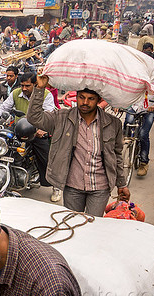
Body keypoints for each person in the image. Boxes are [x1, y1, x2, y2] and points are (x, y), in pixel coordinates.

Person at [27, 74, 131, 216]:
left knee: (93, 226)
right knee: (72, 225)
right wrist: (39, 88)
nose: (85, 102)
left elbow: (117, 155)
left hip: (100, 187)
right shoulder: (61, 118)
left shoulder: (113, 124)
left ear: (99, 100)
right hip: (72, 186)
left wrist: (122, 184)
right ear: (76, 96)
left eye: (91, 99)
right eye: (81, 97)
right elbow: (34, 118)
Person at [0, 72, 61, 202]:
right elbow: (4, 107)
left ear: (35, 84)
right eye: (22, 85)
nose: (24, 88)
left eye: (27, 85)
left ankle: (56, 186)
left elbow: (50, 114)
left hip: (36, 130)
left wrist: (42, 129)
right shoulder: (16, 93)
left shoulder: (46, 95)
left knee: (46, 157)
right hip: (19, 127)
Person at [124, 53, 154, 176]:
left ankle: (143, 162)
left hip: (149, 109)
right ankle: (124, 150)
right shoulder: (135, 74)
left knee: (143, 134)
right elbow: (127, 90)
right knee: (128, 123)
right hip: (135, 106)